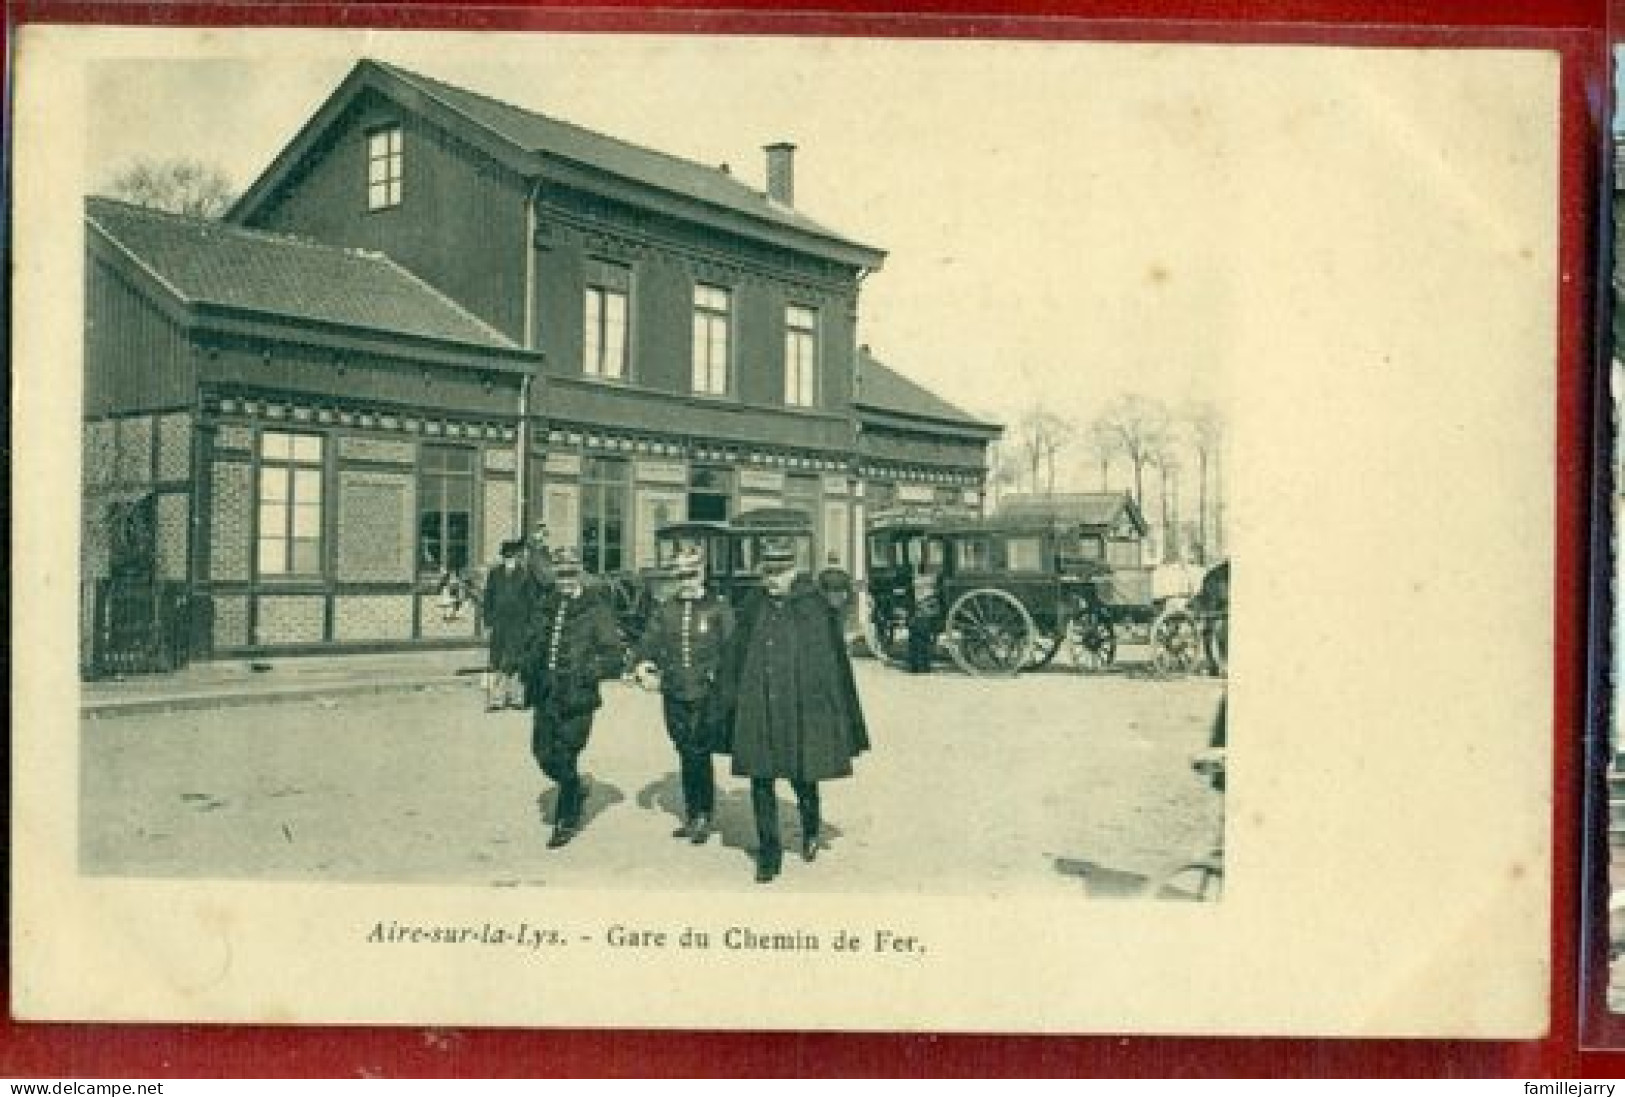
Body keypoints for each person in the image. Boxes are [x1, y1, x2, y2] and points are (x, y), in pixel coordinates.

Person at [708, 537, 870, 883]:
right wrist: (728, 695)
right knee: (760, 779)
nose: (772, 579)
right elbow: (736, 651)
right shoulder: (754, 604)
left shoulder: (812, 606)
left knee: (801, 777)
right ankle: (769, 851)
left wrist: (823, 712)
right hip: (760, 706)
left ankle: (810, 828)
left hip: (797, 709)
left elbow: (828, 665)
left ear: (794, 571)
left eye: (779, 572)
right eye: (767, 572)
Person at [521, 547, 626, 848]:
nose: (565, 579)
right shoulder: (547, 604)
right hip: (547, 694)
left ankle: (567, 819)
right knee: (542, 755)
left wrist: (587, 673)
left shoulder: (596, 609)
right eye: (560, 573)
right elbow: (534, 643)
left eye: (570, 573)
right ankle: (575, 786)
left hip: (578, 697)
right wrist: (526, 666)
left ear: (579, 573)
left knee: (566, 754)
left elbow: (613, 655)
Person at [632, 546, 735, 845]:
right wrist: (641, 664)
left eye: (691, 573)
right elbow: (648, 642)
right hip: (675, 691)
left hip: (707, 694)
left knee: (698, 752)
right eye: (680, 575)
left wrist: (724, 683)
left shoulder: (718, 607)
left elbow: (731, 650)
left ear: (702, 572)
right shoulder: (666, 610)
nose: (685, 581)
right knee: (684, 750)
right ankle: (695, 813)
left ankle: (701, 814)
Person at [480, 539, 535, 711]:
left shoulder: (525, 575)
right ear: (502, 557)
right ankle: (496, 699)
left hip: (519, 625)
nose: (509, 560)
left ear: (518, 558)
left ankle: (517, 698)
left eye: (513, 557)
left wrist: (530, 626)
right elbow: (488, 599)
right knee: (496, 661)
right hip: (499, 624)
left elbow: (532, 602)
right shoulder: (495, 574)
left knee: (517, 661)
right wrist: (488, 623)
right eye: (506, 556)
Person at [905, 568, 941, 674]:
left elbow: (914, 606)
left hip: (919, 620)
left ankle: (918, 668)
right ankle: (924, 667)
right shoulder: (930, 594)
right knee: (924, 642)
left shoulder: (917, 588)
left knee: (917, 642)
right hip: (924, 620)